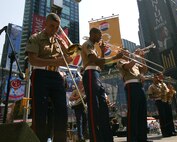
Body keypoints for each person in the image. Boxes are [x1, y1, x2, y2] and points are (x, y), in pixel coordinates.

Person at [25, 13, 73, 142]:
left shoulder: (58, 41)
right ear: (45, 23)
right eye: (52, 26)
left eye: (57, 27)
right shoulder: (35, 37)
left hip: (56, 76)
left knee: (62, 110)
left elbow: (70, 59)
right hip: (40, 75)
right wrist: (54, 62)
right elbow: (33, 60)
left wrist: (64, 46)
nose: (54, 29)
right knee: (40, 112)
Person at [81, 27, 123, 142]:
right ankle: (95, 138)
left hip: (96, 74)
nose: (100, 38)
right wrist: (115, 57)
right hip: (90, 73)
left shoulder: (94, 47)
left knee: (103, 107)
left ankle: (106, 138)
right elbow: (95, 60)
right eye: (99, 35)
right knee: (94, 107)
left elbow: (102, 66)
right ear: (93, 34)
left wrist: (103, 51)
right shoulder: (87, 44)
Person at [116, 48, 152, 142]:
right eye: (125, 51)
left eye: (128, 51)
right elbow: (128, 66)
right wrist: (135, 57)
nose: (128, 52)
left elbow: (145, 69)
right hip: (130, 86)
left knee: (142, 112)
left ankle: (142, 138)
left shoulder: (135, 62)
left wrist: (142, 58)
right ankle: (132, 139)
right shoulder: (120, 61)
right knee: (133, 112)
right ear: (122, 53)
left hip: (139, 86)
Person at [148, 73, 177, 137]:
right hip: (159, 101)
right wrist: (159, 95)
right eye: (155, 77)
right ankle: (165, 132)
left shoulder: (163, 84)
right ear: (152, 79)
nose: (157, 78)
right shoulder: (151, 86)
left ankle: (172, 130)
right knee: (163, 117)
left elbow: (167, 91)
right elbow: (150, 96)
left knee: (169, 116)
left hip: (166, 100)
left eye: (157, 77)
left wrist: (170, 91)